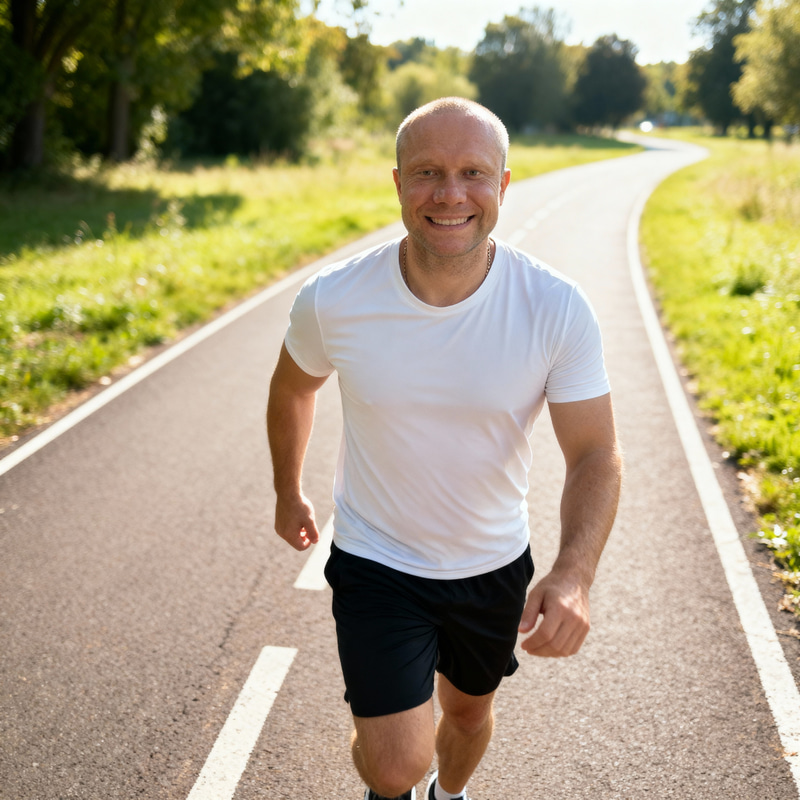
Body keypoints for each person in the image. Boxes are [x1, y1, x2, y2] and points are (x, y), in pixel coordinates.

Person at [267, 97, 623, 800]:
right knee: (396, 764)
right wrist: (288, 489)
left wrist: (574, 572)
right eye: (428, 172)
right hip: (376, 561)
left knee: (466, 716)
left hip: (492, 565)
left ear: (503, 185)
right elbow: (291, 390)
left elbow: (596, 453)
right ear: (398, 183)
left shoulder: (555, 307)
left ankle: (450, 796)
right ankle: (391, 757)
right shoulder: (334, 299)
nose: (451, 194)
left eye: (472, 173)